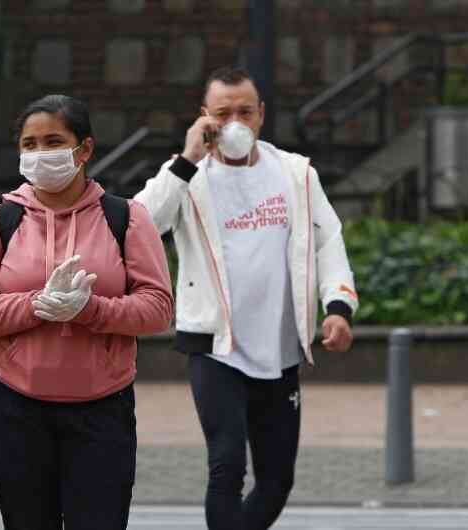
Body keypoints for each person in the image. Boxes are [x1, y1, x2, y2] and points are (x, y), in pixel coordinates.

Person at [133, 66, 359, 530]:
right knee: (227, 464)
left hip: (280, 349)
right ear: (204, 116)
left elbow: (328, 241)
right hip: (216, 347)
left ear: (261, 115)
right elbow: (140, 226)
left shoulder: (295, 173)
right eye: (222, 113)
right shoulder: (188, 175)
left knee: (277, 479)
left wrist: (338, 307)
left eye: (245, 111)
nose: (234, 122)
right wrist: (187, 158)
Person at [0, 94, 174, 530]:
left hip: (102, 411)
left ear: (84, 149)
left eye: (53, 142)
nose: (40, 153)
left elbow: (157, 308)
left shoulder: (126, 218)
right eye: (29, 144)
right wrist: (37, 304)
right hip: (14, 408)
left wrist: (89, 309)